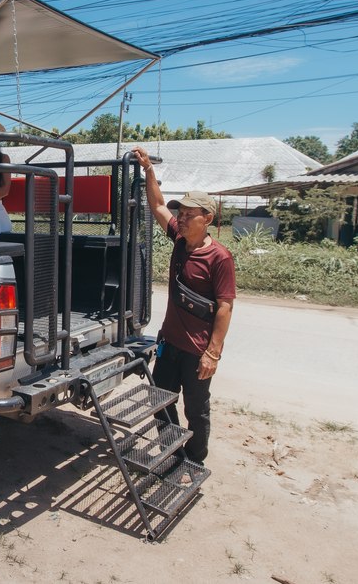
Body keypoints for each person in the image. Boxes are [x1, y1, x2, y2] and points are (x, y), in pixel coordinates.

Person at [132, 146, 235, 472]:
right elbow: (159, 205)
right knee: (160, 402)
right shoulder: (178, 239)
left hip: (197, 352)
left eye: (191, 214)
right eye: (183, 213)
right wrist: (149, 170)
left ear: (208, 219)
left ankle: (195, 460)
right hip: (170, 345)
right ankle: (173, 456)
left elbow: (225, 307)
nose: (183, 218)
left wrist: (213, 353)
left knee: (197, 410)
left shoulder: (219, 257)